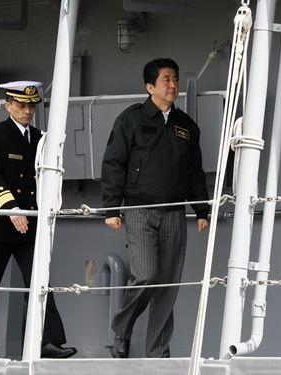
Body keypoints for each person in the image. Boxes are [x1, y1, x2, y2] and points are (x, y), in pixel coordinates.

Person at [101, 58, 209, 358]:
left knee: (168, 285)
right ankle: (122, 329)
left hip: (174, 212)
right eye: (165, 79)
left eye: (174, 78)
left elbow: (194, 171)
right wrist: (111, 208)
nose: (172, 84)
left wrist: (201, 210)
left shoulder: (186, 126)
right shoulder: (132, 119)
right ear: (150, 87)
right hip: (140, 210)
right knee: (147, 275)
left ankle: (158, 352)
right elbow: (113, 163)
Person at [0, 81, 76, 359]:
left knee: (41, 283)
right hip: (0, 224)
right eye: (21, 105)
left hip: (29, 225)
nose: (27, 110)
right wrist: (12, 210)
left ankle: (48, 342)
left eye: (31, 105)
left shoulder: (42, 138)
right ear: (8, 105)